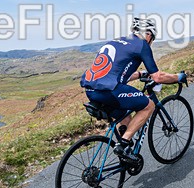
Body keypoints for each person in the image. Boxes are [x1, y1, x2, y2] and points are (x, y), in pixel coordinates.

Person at [80, 18, 186, 166]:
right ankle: (123, 145)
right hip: (110, 91)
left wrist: (140, 74)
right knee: (148, 105)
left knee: (125, 115)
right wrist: (178, 77)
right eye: (152, 38)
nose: (151, 42)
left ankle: (126, 151)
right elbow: (158, 76)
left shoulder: (115, 41)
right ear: (148, 34)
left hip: (91, 90)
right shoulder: (142, 44)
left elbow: (117, 73)